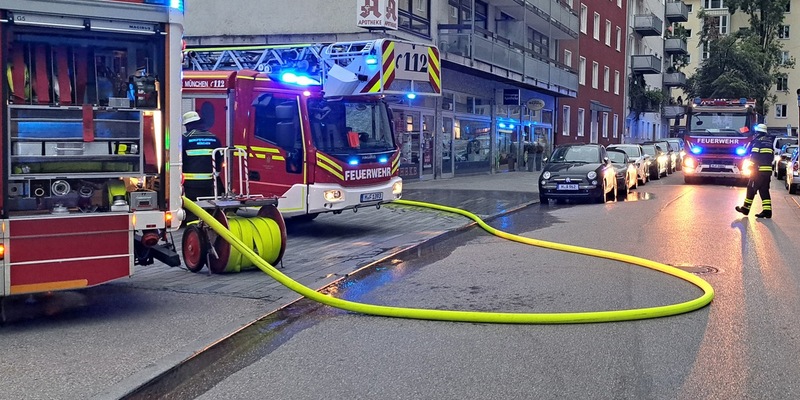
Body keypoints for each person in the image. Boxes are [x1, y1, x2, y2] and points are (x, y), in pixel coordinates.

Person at [182, 111, 222, 204]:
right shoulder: (214, 138)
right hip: (209, 183)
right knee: (207, 206)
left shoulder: (185, 138)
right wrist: (216, 174)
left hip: (190, 184)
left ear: (187, 125)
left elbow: (179, 160)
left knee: (192, 207)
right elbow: (219, 159)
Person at [736, 123, 773, 218]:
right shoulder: (769, 142)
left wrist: (751, 166)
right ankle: (767, 211)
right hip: (767, 171)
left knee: (751, 187)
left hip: (758, 171)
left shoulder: (757, 142)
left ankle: (745, 208)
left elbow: (754, 156)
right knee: (764, 190)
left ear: (758, 132)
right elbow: (771, 157)